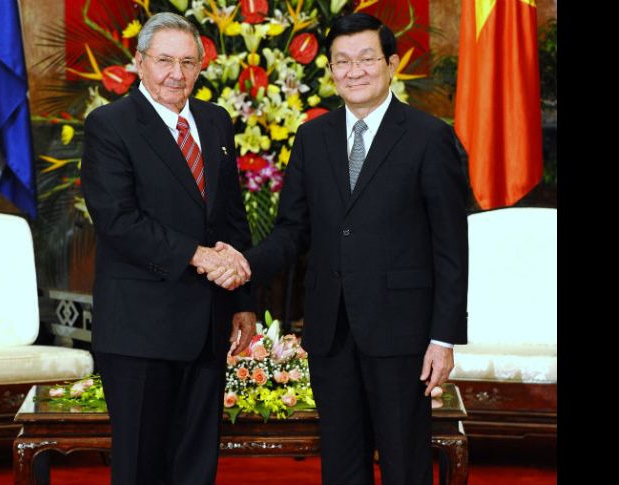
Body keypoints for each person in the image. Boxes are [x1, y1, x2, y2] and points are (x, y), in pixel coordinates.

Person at [206, 12, 468, 485]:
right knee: (342, 465)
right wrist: (244, 263)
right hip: (330, 330)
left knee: (404, 463)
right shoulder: (313, 137)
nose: (354, 71)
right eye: (342, 62)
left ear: (391, 64)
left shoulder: (430, 137)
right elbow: (292, 230)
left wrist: (443, 338)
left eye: (366, 59)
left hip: (402, 332)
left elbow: (451, 245)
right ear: (330, 71)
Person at [80, 12, 256, 485]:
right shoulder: (109, 125)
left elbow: (230, 219)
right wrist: (199, 256)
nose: (176, 74)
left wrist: (242, 303)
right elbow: (118, 221)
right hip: (140, 328)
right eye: (163, 61)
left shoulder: (216, 122)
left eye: (187, 62)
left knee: (196, 464)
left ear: (200, 67)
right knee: (141, 464)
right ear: (139, 62)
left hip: (208, 326)